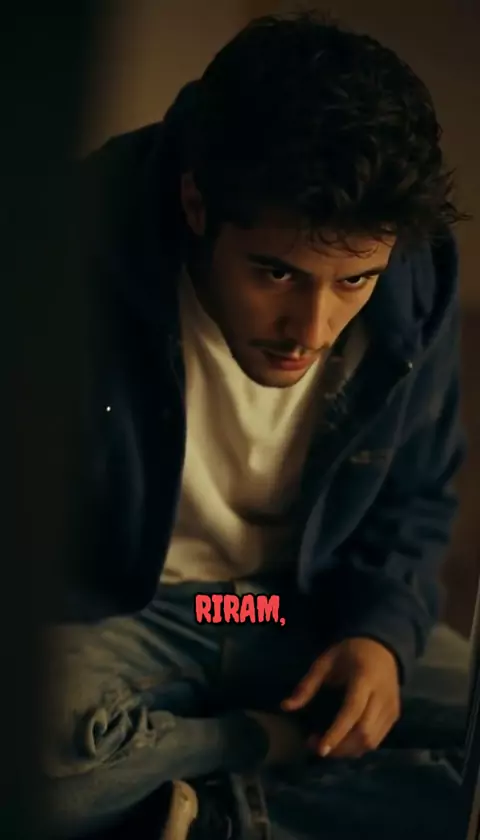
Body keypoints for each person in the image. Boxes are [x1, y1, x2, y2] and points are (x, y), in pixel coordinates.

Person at [46, 11, 472, 840]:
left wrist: (381, 637)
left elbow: (417, 492)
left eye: (354, 282)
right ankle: (262, 748)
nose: (312, 329)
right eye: (277, 273)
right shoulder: (73, 236)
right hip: (129, 613)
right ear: (196, 202)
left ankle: (215, 816)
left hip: (287, 613)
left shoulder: (416, 273)